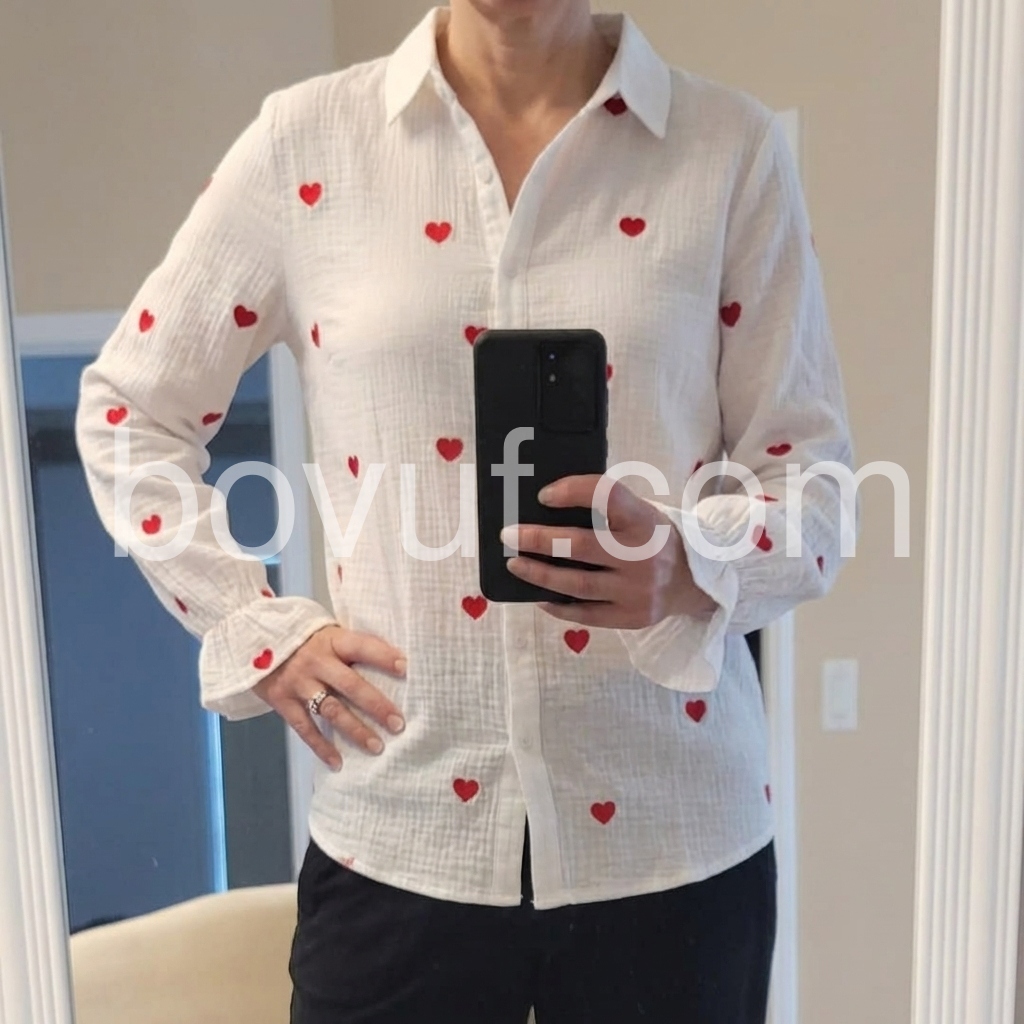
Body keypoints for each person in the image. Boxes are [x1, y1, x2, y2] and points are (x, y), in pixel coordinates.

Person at [74, 1, 855, 1021]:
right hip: (400, 835)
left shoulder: (728, 151)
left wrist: (689, 564)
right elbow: (131, 411)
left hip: (674, 842)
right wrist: (252, 626)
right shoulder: (306, 144)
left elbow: (813, 483)